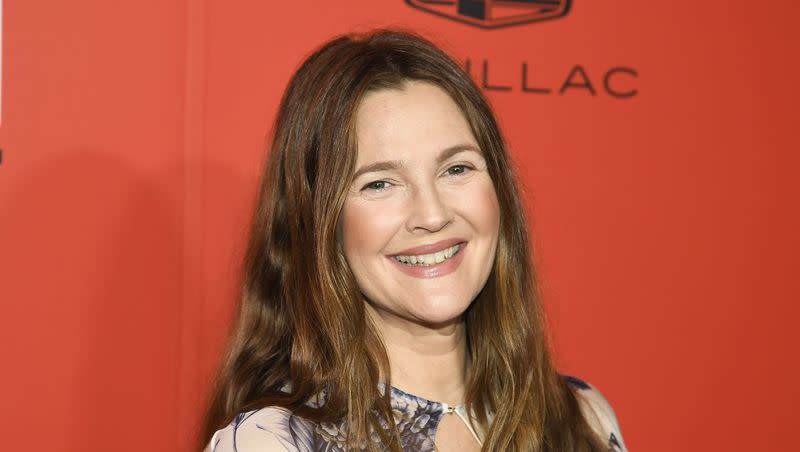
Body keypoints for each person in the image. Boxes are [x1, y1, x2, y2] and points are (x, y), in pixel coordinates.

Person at [198, 29, 627, 452]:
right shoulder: (273, 442)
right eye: (380, 183)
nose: (433, 215)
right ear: (319, 224)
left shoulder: (583, 417)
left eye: (456, 169)